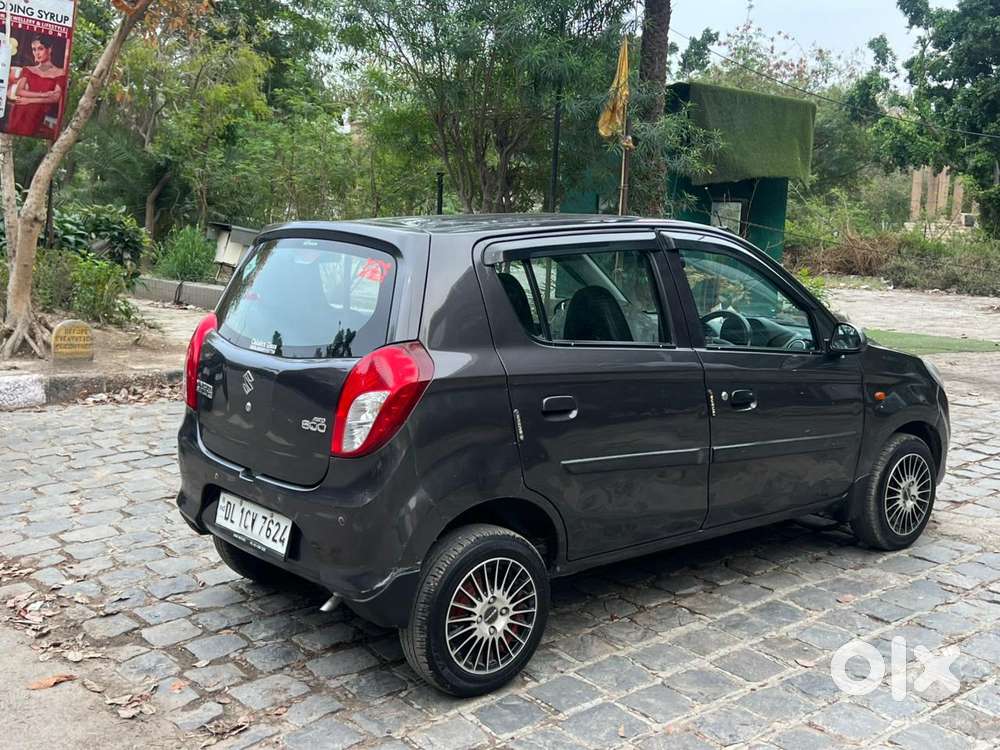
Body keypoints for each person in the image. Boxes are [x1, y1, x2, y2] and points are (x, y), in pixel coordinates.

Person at [5, 37, 66, 138]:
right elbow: (19, 92)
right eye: (34, 49)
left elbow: (55, 98)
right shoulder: (28, 69)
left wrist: (29, 100)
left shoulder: (60, 73)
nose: (37, 53)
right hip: (19, 110)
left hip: (36, 113)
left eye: (40, 48)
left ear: (49, 49)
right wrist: (44, 95)